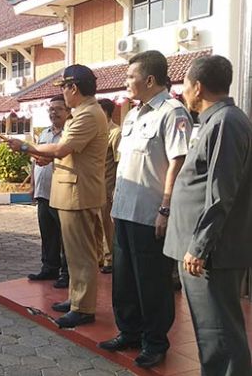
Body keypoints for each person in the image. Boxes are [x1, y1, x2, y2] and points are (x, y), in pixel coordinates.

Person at [98, 51, 192, 369]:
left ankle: (155, 342)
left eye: (130, 77)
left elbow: (176, 162)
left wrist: (165, 208)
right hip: (125, 211)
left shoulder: (173, 112)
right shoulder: (136, 114)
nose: (126, 83)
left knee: (152, 283)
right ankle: (130, 332)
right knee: (124, 279)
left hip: (150, 214)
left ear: (149, 79)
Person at [164, 55, 252, 376]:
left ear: (197, 87)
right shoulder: (215, 120)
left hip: (211, 253)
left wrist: (198, 246)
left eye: (185, 84)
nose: (183, 91)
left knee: (220, 332)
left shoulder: (226, 122)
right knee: (210, 330)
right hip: (203, 249)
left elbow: (220, 192)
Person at [8, 65, 107, 328]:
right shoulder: (81, 114)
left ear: (73, 88)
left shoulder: (87, 115)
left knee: (82, 255)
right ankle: (76, 300)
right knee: (73, 254)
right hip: (70, 191)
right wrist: (40, 153)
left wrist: (27, 147)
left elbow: (63, 148)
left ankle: (84, 308)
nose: (62, 94)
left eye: (63, 88)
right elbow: (70, 152)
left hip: (79, 193)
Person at [26, 95, 70, 289]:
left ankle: (66, 273)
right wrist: (33, 185)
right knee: (48, 233)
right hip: (43, 192)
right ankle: (49, 267)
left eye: (58, 109)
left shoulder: (70, 134)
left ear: (68, 111)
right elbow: (35, 161)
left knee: (65, 236)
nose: (54, 113)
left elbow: (65, 155)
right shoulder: (44, 133)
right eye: (51, 109)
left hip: (62, 193)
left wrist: (51, 159)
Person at [97, 98, 121, 274]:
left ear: (106, 112)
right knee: (94, 224)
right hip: (93, 186)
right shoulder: (97, 132)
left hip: (108, 185)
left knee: (107, 224)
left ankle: (110, 258)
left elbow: (119, 162)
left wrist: (116, 189)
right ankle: (98, 256)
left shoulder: (115, 133)